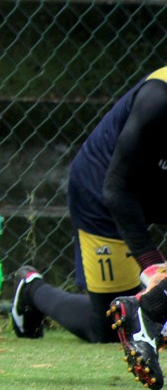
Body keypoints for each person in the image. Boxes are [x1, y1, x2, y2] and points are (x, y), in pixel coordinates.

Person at [11, 67, 167, 349]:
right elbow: (118, 188)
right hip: (104, 187)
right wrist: (153, 267)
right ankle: (32, 290)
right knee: (109, 326)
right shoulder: (158, 99)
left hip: (158, 185)